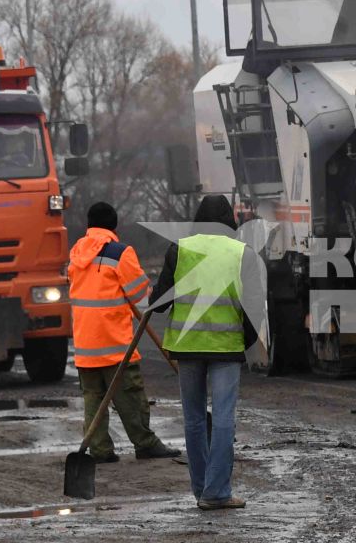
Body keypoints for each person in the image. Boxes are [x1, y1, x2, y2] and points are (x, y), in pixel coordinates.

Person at [152, 194, 259, 511]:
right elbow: (253, 309)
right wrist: (246, 343)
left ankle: (201, 490)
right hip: (226, 347)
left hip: (187, 347)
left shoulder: (179, 249)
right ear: (230, 220)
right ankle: (217, 492)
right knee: (224, 419)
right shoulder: (242, 253)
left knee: (194, 420)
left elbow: (159, 303)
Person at [67, 202, 180, 464]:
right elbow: (140, 294)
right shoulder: (120, 252)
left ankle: (100, 450)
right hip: (115, 342)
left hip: (85, 343)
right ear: (114, 225)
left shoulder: (76, 252)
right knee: (129, 395)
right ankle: (145, 443)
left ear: (89, 225)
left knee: (93, 398)